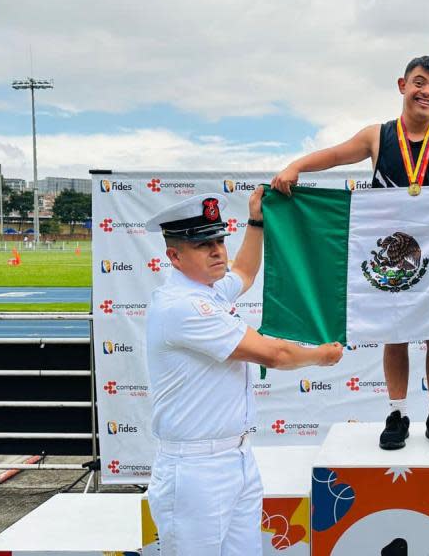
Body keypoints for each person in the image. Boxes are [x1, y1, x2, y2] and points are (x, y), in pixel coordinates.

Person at [271, 55, 429, 451]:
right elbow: (334, 155)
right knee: (394, 334)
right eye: (420, 83)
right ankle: (397, 413)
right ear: (402, 85)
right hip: (389, 256)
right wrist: (297, 166)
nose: (426, 92)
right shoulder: (377, 137)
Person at [145, 189, 343, 555]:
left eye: (219, 240)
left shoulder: (208, 290)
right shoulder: (183, 307)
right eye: (204, 245)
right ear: (174, 256)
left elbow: (245, 272)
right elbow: (276, 355)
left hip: (235, 459)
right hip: (195, 469)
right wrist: (321, 355)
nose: (217, 250)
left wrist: (255, 221)